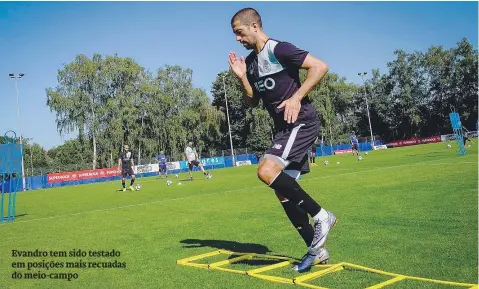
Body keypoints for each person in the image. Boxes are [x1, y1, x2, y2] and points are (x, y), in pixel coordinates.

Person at [228, 8, 336, 272]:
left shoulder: (280, 49)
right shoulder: (251, 63)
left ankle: (323, 216)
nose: (237, 39)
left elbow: (320, 67)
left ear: (254, 26)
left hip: (301, 123)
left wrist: (297, 97)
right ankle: (317, 249)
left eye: (239, 33)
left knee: (266, 171)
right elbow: (252, 101)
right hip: (283, 130)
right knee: (282, 190)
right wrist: (243, 78)